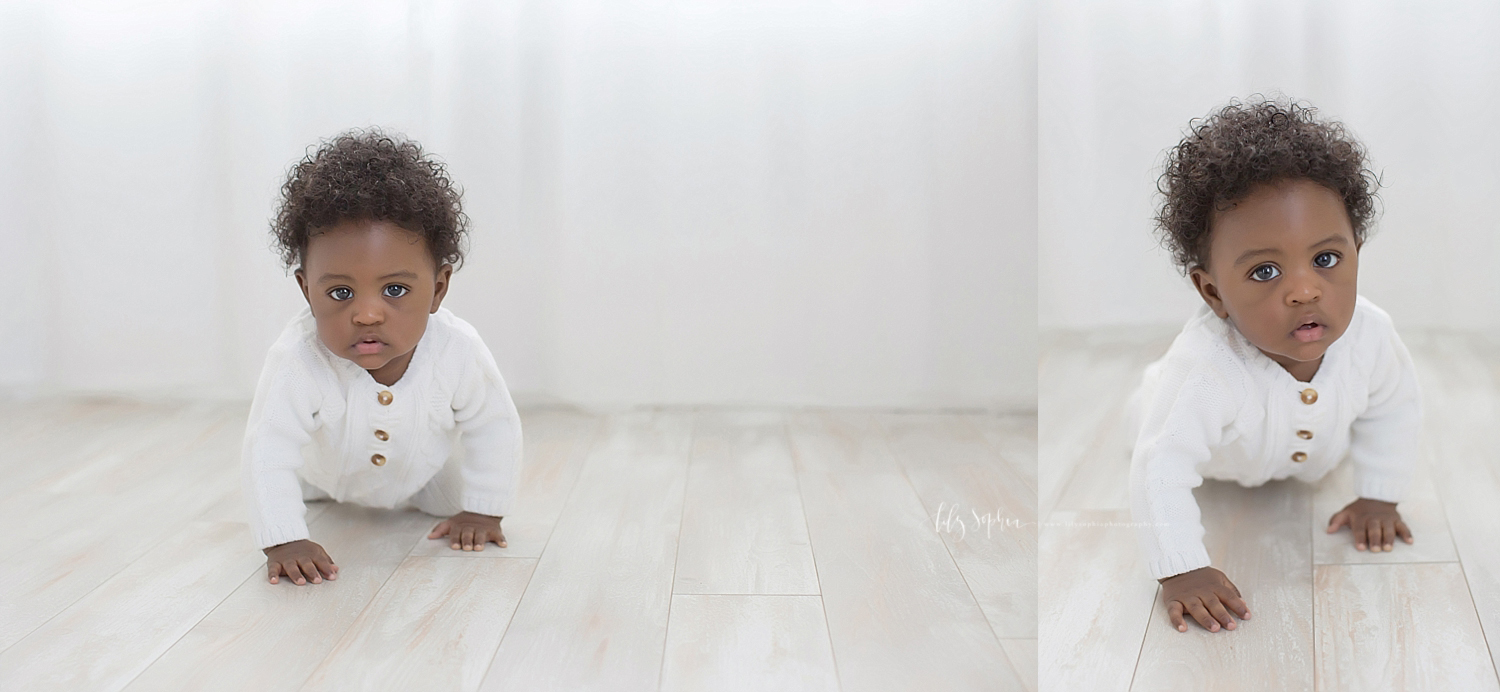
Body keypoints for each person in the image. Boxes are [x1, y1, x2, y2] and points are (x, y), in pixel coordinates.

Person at [1128, 97, 1421, 633]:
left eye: (1326, 260)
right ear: (1213, 292)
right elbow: (1159, 468)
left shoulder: (1372, 336)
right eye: (1265, 271)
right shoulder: (1205, 369)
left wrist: (1380, 492)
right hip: (1215, 455)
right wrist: (1182, 570)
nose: (1305, 290)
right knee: (1153, 419)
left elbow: (1393, 408)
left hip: (1299, 461)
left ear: (1357, 250)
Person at [242, 129, 522, 586]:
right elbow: (267, 449)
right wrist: (283, 537)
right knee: (291, 481)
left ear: (438, 289)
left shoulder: (457, 349)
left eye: (395, 290)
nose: (367, 313)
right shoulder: (297, 358)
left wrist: (484, 509)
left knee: (458, 494)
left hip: (426, 477)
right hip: (322, 476)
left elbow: (494, 425)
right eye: (340, 292)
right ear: (307, 292)